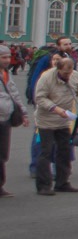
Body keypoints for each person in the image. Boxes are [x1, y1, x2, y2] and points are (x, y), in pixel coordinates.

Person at [34, 53, 78, 195]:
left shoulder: (74, 75)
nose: (68, 76)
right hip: (46, 120)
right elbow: (39, 98)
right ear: (58, 69)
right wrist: (55, 109)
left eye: (70, 72)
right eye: (65, 73)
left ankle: (62, 182)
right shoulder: (46, 77)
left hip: (64, 120)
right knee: (46, 152)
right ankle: (44, 185)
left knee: (64, 150)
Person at [0, 45, 27, 197]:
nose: (7, 60)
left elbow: (14, 94)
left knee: (2, 154)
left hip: (5, 119)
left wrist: (24, 112)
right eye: (3, 57)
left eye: (8, 57)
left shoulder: (6, 73)